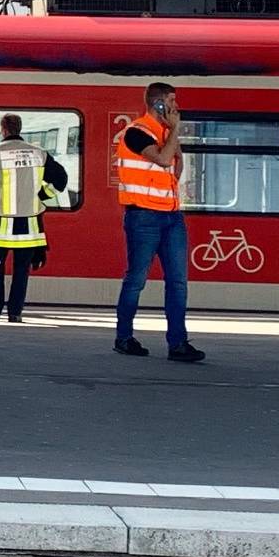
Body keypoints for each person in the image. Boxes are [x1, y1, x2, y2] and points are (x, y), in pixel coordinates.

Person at [114, 82, 205, 362]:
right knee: (136, 279)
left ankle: (178, 343)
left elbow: (176, 168)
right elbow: (166, 161)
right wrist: (176, 130)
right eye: (172, 101)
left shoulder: (165, 133)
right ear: (159, 104)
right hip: (143, 216)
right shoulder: (137, 133)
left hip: (171, 215)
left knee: (178, 281)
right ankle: (124, 337)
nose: (176, 106)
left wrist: (172, 134)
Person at [0, 113, 67, 322]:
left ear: (3, 129)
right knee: (22, 270)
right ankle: (15, 313)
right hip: (29, 224)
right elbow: (61, 179)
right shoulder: (39, 153)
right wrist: (43, 195)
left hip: (1, 221)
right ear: (19, 129)